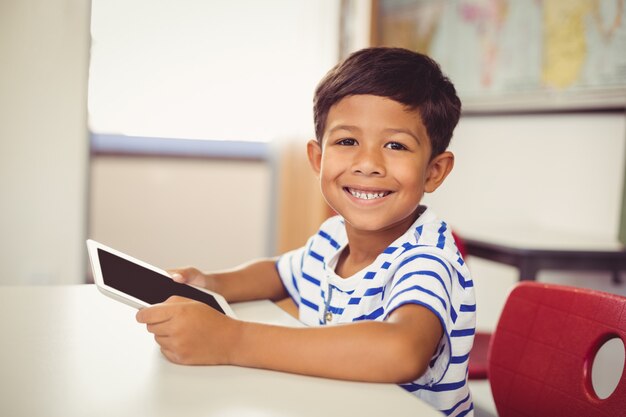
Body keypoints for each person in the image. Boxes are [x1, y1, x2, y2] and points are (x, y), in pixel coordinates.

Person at [136, 47, 476, 417]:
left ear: (434, 171)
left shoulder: (427, 257)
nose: (368, 164)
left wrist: (231, 340)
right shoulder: (333, 238)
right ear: (318, 159)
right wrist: (211, 284)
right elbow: (277, 273)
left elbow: (401, 351)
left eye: (396, 145)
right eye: (347, 141)